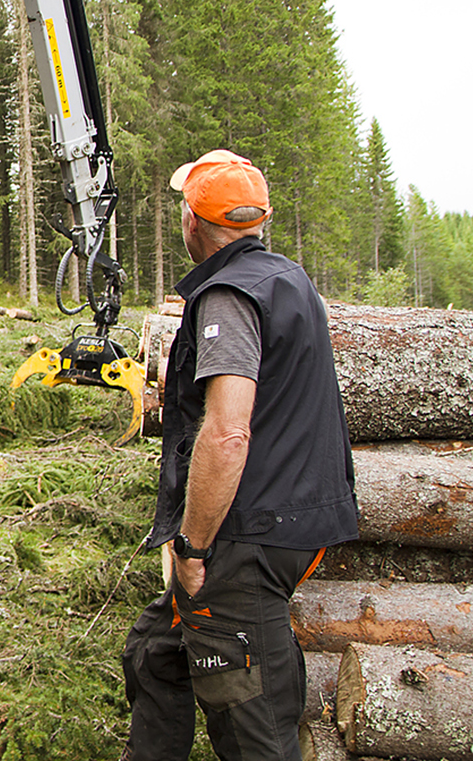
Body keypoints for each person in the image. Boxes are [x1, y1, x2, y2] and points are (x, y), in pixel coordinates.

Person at [121, 149, 358, 761]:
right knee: (156, 651)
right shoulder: (292, 281)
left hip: (244, 538)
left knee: (253, 726)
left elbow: (228, 433)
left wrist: (194, 546)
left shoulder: (227, 297)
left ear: (194, 223)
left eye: (182, 209)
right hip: (291, 520)